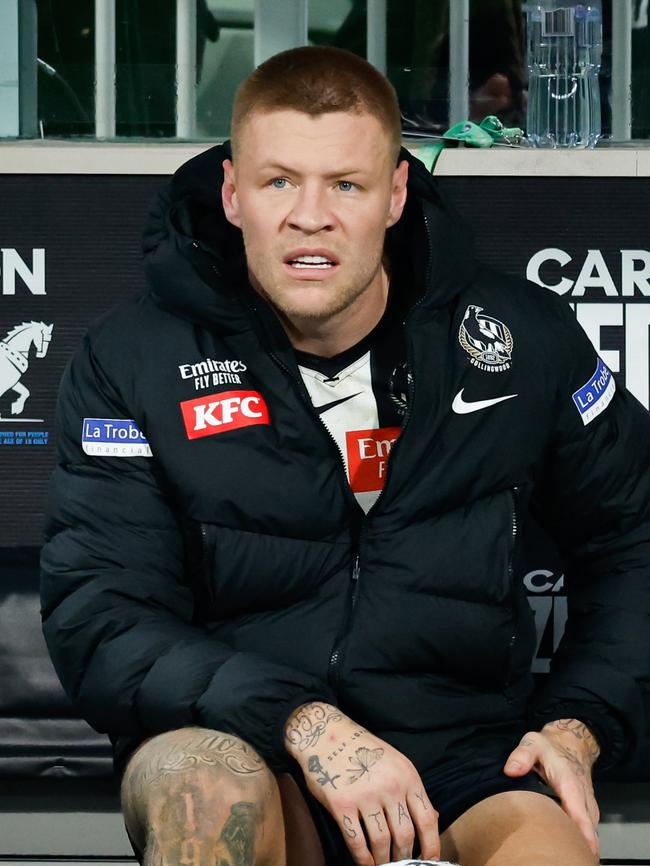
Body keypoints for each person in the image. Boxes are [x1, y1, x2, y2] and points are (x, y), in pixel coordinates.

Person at [40, 46, 650, 866]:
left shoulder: (522, 339)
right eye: (279, 181)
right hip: (243, 741)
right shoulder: (133, 360)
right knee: (203, 796)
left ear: (396, 194)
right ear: (232, 194)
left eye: (347, 185)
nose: (310, 216)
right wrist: (307, 721)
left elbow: (636, 540)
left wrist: (581, 725)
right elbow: (103, 616)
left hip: (465, 756)